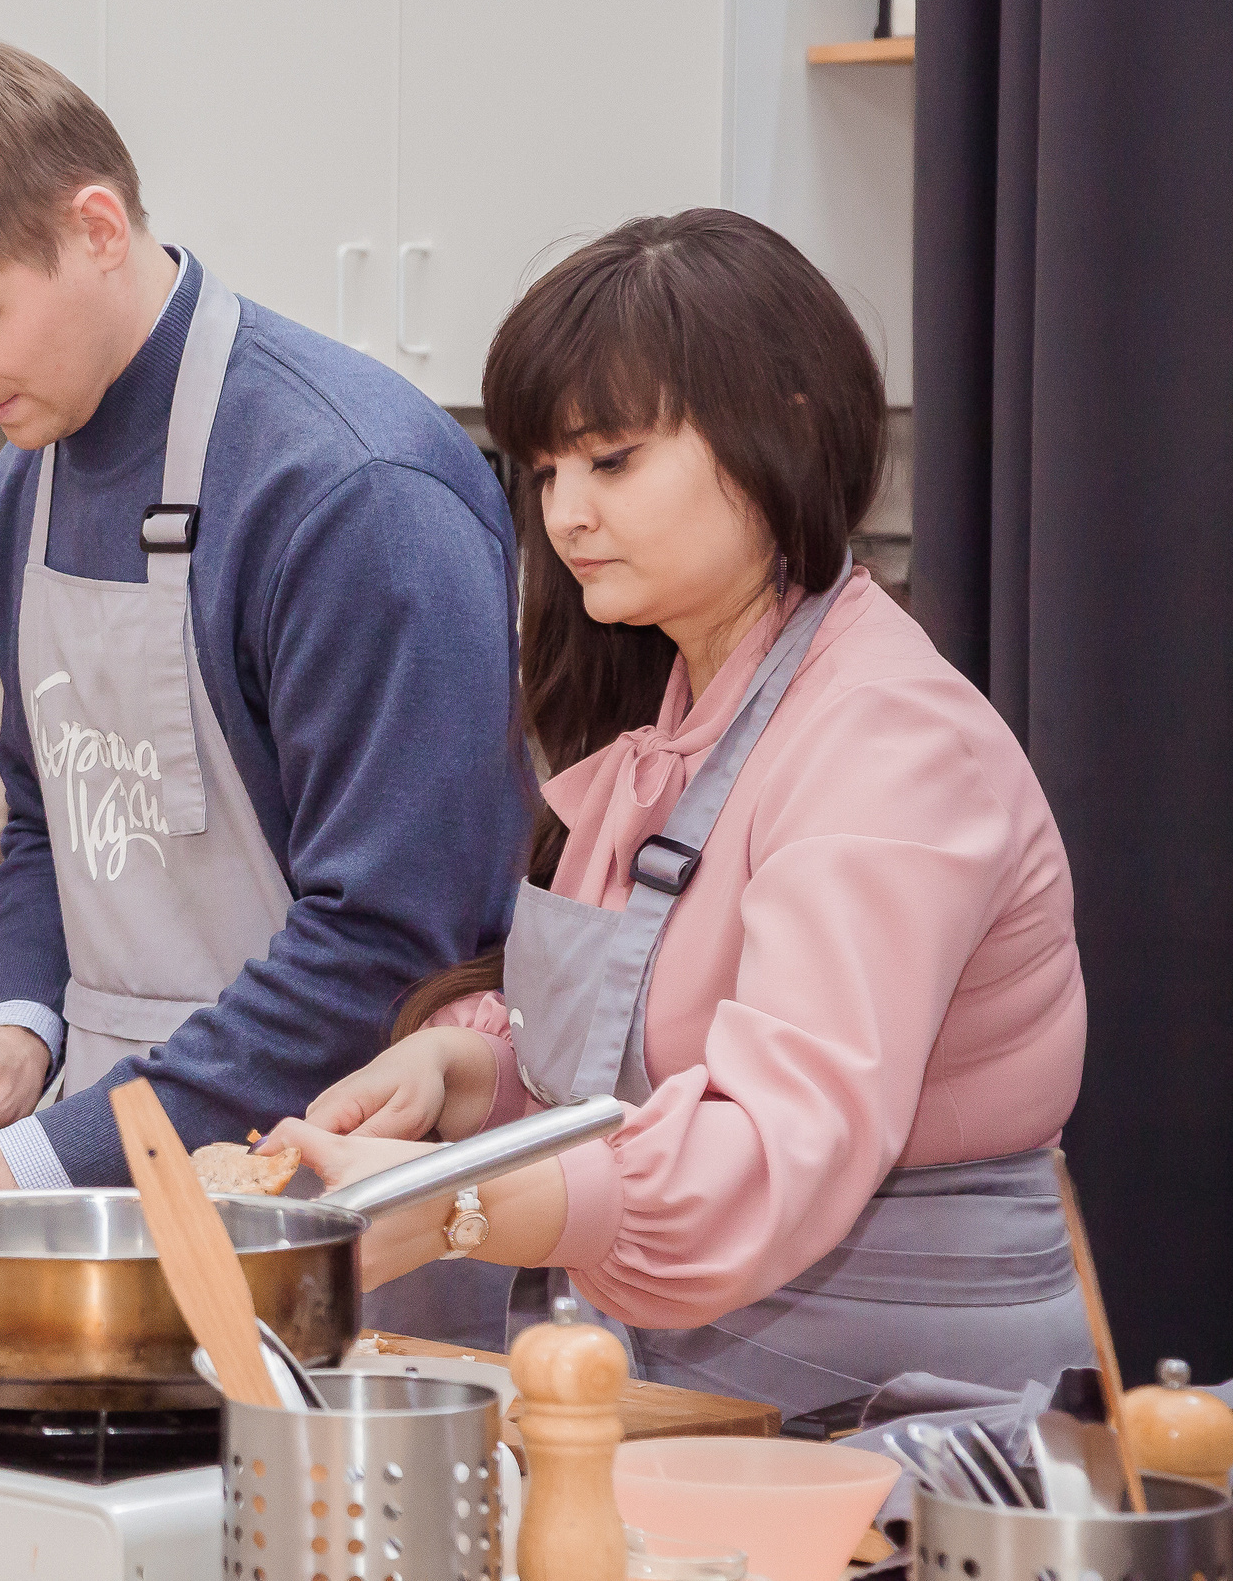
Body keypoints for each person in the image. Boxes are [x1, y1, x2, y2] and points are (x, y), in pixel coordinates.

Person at [261, 209, 1094, 1427]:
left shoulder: (886, 743)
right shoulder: (674, 719)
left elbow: (767, 1145)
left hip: (911, 1416)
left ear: (784, 432)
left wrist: (455, 1204)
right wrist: (466, 1073)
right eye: (544, 471)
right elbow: (650, 1057)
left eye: (612, 461)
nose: (564, 515)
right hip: (705, 1390)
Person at [0, 38, 533, 1258]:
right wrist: (21, 1026)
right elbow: (50, 814)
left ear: (93, 227)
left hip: (338, 1192)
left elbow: (385, 942)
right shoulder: (21, 490)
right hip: (111, 1166)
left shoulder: (352, 489)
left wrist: (32, 1159)